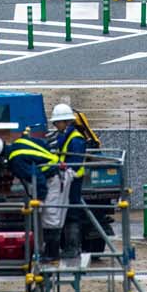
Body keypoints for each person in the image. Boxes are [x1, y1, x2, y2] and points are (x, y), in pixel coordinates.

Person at [6, 127, 66, 260]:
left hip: (53, 177)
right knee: (50, 216)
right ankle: (49, 252)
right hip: (55, 172)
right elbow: (43, 145)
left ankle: (52, 254)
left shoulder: (16, 160)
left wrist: (40, 198)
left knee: (50, 215)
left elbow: (37, 177)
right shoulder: (19, 143)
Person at [51, 103, 88, 261]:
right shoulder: (64, 136)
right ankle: (67, 247)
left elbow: (74, 163)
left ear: (66, 122)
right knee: (64, 212)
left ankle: (72, 248)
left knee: (72, 213)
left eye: (57, 122)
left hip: (72, 181)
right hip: (65, 179)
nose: (55, 125)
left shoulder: (76, 139)